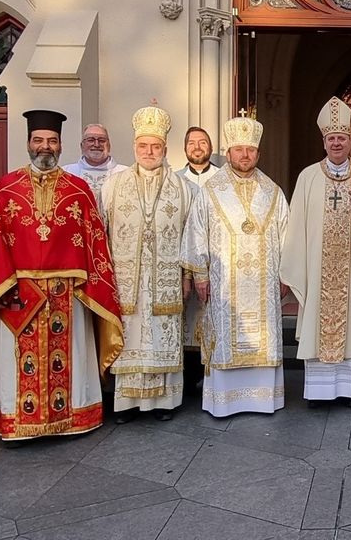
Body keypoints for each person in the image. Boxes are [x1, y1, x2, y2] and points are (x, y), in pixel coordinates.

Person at [0, 110, 123, 442]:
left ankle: (73, 419)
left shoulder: (79, 189)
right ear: (29, 143)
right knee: (18, 363)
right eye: (39, 140)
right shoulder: (5, 188)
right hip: (17, 292)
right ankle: (19, 425)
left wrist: (94, 286)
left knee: (70, 358)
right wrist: (4, 284)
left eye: (52, 141)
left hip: (68, 295)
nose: (46, 147)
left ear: (61, 145)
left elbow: (95, 242)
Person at [181, 115, 290, 417]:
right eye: (239, 149)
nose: (245, 155)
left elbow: (286, 235)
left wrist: (285, 274)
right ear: (228, 153)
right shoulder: (211, 189)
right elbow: (196, 232)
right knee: (225, 336)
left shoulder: (273, 192)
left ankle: (264, 397)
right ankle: (225, 401)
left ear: (258, 153)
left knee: (262, 336)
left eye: (250, 150)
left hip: (264, 284)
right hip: (223, 281)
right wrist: (200, 274)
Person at [282, 97, 351, 405]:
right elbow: (295, 225)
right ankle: (319, 392)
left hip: (350, 272)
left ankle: (346, 390)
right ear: (324, 141)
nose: (337, 143)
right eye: (332, 138)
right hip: (318, 271)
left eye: (342, 138)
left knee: (349, 325)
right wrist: (295, 267)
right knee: (319, 324)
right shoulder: (307, 177)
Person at [103, 103, 194, 422]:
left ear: (165, 148)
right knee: (129, 337)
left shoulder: (184, 188)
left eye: (156, 146)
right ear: (134, 146)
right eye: (143, 145)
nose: (149, 151)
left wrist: (187, 277)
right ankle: (126, 405)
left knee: (162, 336)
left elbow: (190, 236)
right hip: (125, 278)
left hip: (166, 277)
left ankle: (164, 403)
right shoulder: (113, 184)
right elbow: (102, 231)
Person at [180, 125, 219, 394]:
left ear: (211, 148)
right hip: (184, 264)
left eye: (202, 142)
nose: (197, 147)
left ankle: (213, 376)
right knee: (187, 321)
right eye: (192, 142)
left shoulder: (222, 179)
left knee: (212, 319)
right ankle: (190, 377)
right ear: (184, 148)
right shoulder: (175, 180)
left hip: (215, 264)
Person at [63, 123, 128, 211]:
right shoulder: (66, 173)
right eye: (91, 140)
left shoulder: (125, 174)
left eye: (102, 140)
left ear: (109, 146)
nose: (97, 144)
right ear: (82, 146)